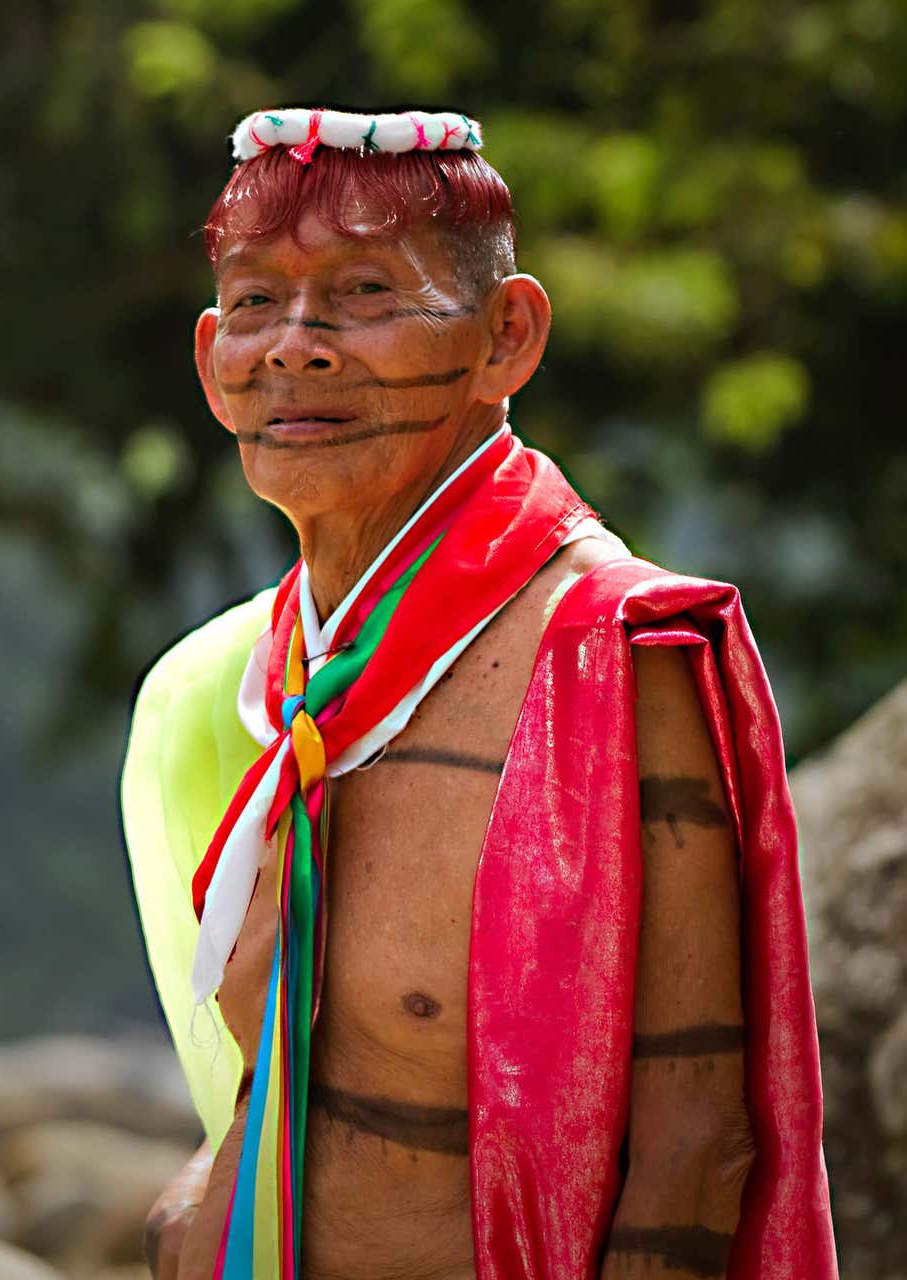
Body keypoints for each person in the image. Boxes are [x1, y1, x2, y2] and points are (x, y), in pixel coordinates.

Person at [121, 107, 837, 1279]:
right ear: (212, 361)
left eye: (363, 292)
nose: (295, 346)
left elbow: (695, 1151)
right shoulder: (249, 679)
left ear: (508, 336)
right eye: (255, 302)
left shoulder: (615, 654)